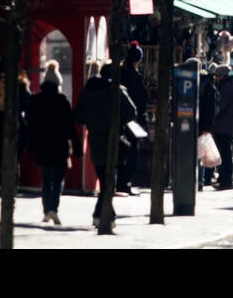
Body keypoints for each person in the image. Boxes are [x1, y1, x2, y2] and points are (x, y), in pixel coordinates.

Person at [73, 62, 137, 221]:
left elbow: (79, 116)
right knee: (108, 182)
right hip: (113, 140)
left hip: (94, 140)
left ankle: (107, 215)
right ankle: (99, 215)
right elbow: (132, 113)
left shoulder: (87, 90)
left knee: (104, 180)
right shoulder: (117, 91)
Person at [27, 60, 77, 225]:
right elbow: (70, 126)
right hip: (59, 146)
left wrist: (31, 144)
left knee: (46, 180)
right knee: (58, 180)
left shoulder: (35, 100)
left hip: (42, 146)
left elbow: (30, 125)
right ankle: (53, 209)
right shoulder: (63, 101)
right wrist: (76, 148)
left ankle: (46, 209)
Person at [119, 42, 149, 194]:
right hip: (132, 120)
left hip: (121, 119)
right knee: (131, 153)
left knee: (122, 151)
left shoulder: (121, 72)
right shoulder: (135, 77)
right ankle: (125, 183)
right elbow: (141, 100)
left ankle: (121, 182)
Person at [211, 63, 233, 190]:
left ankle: (226, 180)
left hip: (223, 125)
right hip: (231, 125)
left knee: (225, 154)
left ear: (222, 76)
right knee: (229, 152)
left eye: (217, 76)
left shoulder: (226, 88)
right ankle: (227, 179)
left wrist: (212, 117)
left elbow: (220, 106)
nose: (216, 79)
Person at [198, 62, 219, 188]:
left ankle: (201, 179)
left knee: (200, 153)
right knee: (200, 152)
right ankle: (201, 179)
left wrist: (207, 128)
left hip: (202, 125)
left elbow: (210, 109)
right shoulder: (208, 85)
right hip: (203, 125)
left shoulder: (206, 85)